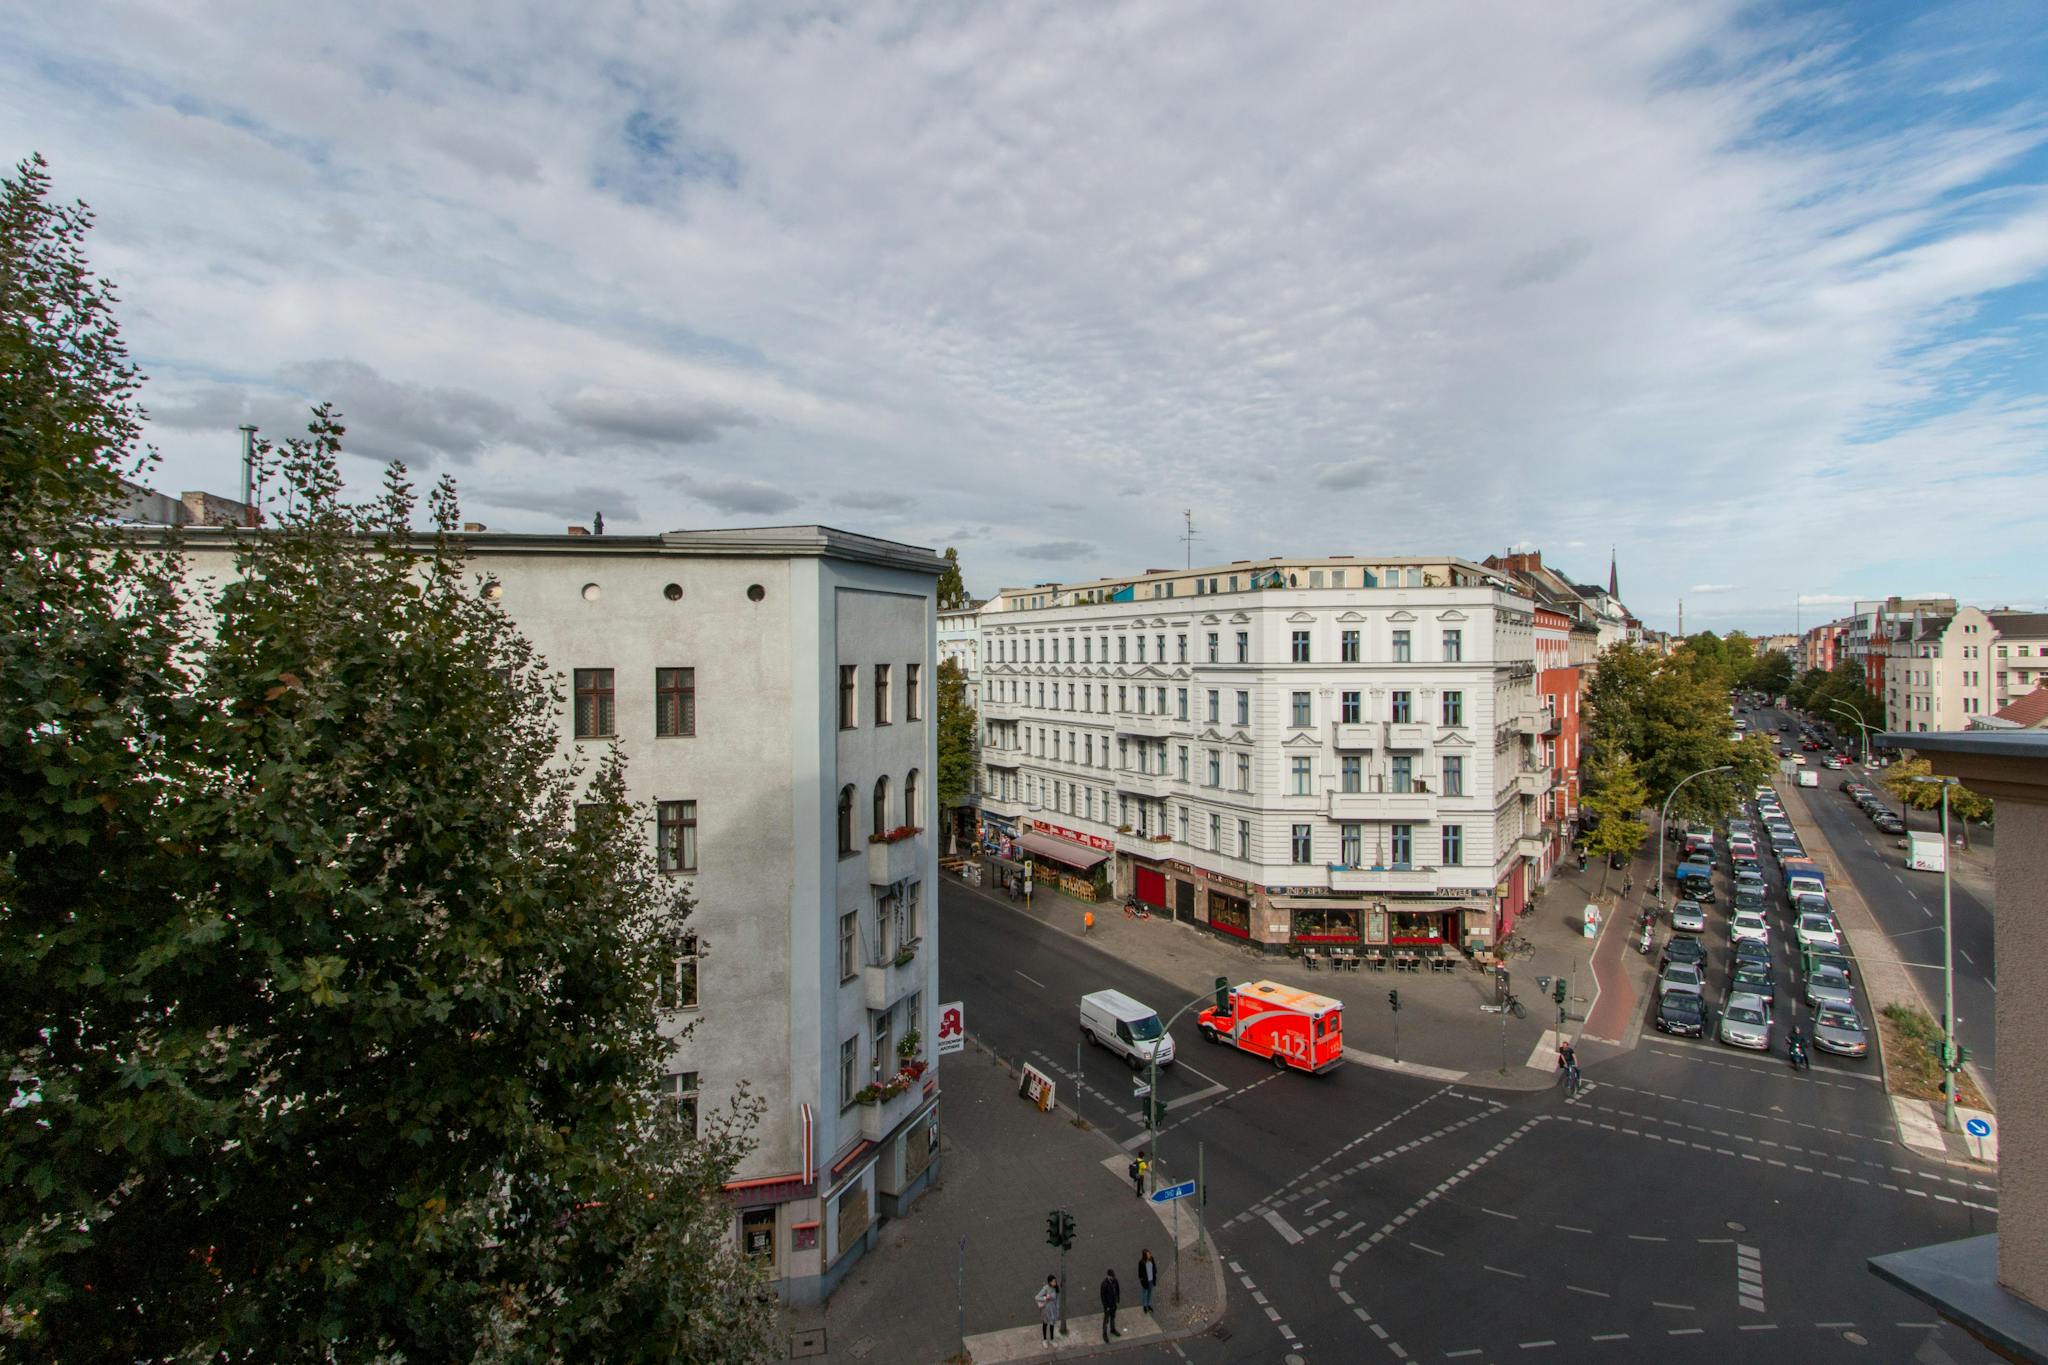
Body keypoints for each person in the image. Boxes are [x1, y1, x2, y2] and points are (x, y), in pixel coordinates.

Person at [1035, 1275, 1059, 1344]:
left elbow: (1057, 1300)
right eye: (1053, 1282)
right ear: (1049, 1282)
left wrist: (1057, 1309)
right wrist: (1045, 1298)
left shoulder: (1056, 1288)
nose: (1055, 1283)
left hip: (1053, 1309)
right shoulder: (1045, 1288)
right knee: (1045, 1324)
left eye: (1055, 1281)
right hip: (1046, 1309)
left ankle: (1052, 1339)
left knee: (1052, 1324)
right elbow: (1037, 1297)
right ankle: (1044, 1340)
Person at [1100, 1268, 1122, 1340]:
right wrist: (1106, 1306)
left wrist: (1117, 1300)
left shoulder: (1115, 1281)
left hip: (1114, 1303)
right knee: (1106, 1320)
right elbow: (1103, 1296)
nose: (1113, 1277)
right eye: (1112, 1276)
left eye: (1113, 1276)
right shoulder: (1104, 1284)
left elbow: (1117, 1291)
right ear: (1108, 1276)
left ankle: (1112, 1329)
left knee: (1113, 1317)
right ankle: (1104, 1333)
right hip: (1108, 1305)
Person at [1137, 1249, 1158, 1315]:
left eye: (1149, 1254)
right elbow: (1140, 1273)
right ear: (1145, 1256)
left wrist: (1155, 1271)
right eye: (1148, 1254)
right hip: (1145, 1281)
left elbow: (1154, 1266)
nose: (1149, 1255)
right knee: (1145, 1294)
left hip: (1151, 1280)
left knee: (1150, 1293)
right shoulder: (1141, 1263)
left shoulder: (1151, 1259)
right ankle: (1145, 1306)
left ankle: (1149, 1305)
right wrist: (1142, 1280)